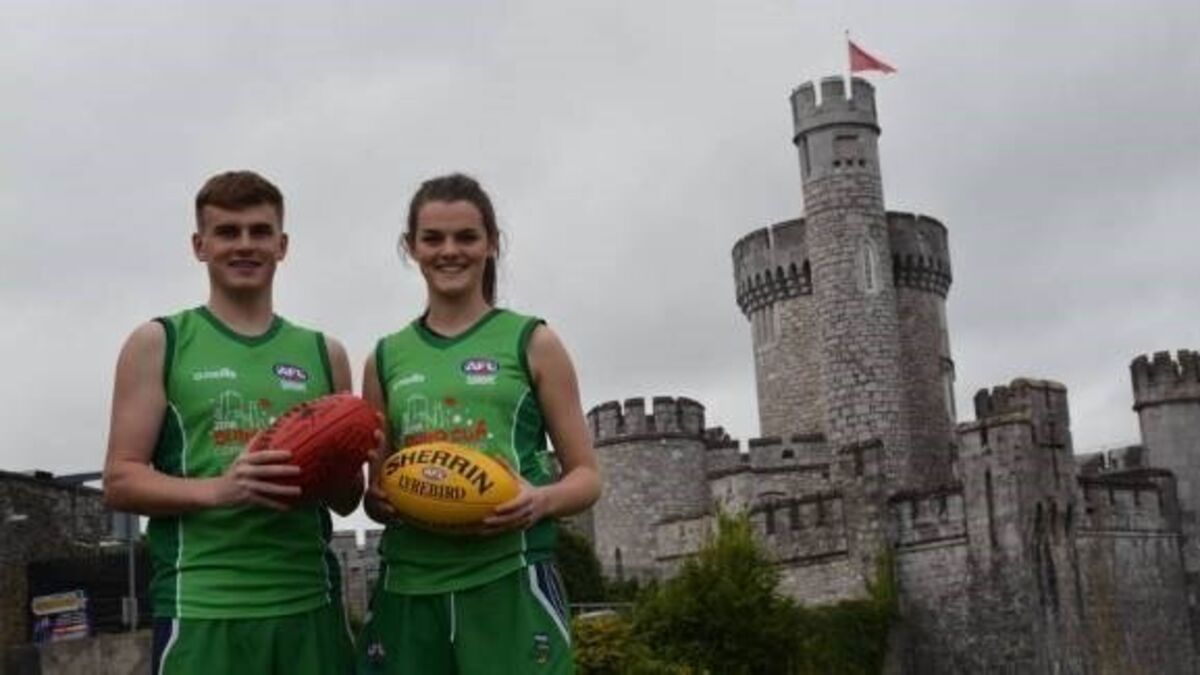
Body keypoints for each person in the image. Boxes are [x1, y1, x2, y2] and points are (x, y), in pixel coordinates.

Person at [102, 170, 361, 675]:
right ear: (200, 246)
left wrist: (347, 461)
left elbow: (348, 500)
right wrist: (222, 489)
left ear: (282, 245)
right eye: (227, 232)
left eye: (260, 231)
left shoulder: (323, 353)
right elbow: (120, 480)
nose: (245, 244)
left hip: (308, 601)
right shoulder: (159, 342)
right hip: (203, 605)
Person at [358, 173, 602, 674]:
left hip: (509, 574)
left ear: (491, 243)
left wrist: (540, 501)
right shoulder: (385, 357)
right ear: (411, 247)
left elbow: (587, 477)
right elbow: (377, 491)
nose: (450, 251)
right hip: (411, 583)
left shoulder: (532, 341)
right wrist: (379, 499)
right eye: (433, 238)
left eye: (466, 237)